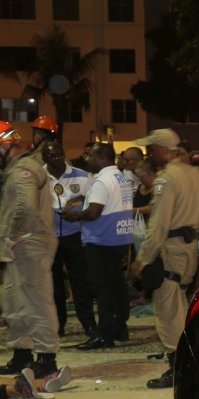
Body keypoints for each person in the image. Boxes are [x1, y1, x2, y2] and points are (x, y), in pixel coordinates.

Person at [130, 129, 199, 389]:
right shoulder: (196, 174)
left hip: (170, 250)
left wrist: (142, 259)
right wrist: (190, 227)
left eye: (152, 148)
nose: (149, 153)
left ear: (164, 150)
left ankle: (179, 369)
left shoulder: (166, 179)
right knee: (180, 306)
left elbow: (159, 224)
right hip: (189, 249)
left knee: (168, 312)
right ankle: (190, 364)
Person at [0, 122, 61, 379]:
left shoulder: (24, 170)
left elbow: (26, 208)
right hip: (21, 245)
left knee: (36, 302)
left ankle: (46, 358)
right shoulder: (17, 169)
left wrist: (12, 236)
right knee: (14, 302)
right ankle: (22, 354)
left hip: (28, 243)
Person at [61, 141, 133, 351]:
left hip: (102, 240)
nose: (87, 159)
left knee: (103, 289)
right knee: (117, 285)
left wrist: (74, 216)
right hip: (119, 237)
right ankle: (119, 327)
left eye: (90, 156)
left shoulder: (102, 180)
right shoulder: (119, 177)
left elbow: (94, 212)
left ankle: (104, 334)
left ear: (101, 158)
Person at [43, 139, 97, 340]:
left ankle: (88, 324)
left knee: (80, 282)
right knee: (54, 284)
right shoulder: (39, 176)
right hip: (49, 237)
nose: (57, 159)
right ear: (44, 158)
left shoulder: (81, 176)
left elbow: (93, 200)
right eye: (52, 156)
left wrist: (76, 202)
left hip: (75, 235)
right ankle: (58, 324)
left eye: (59, 154)